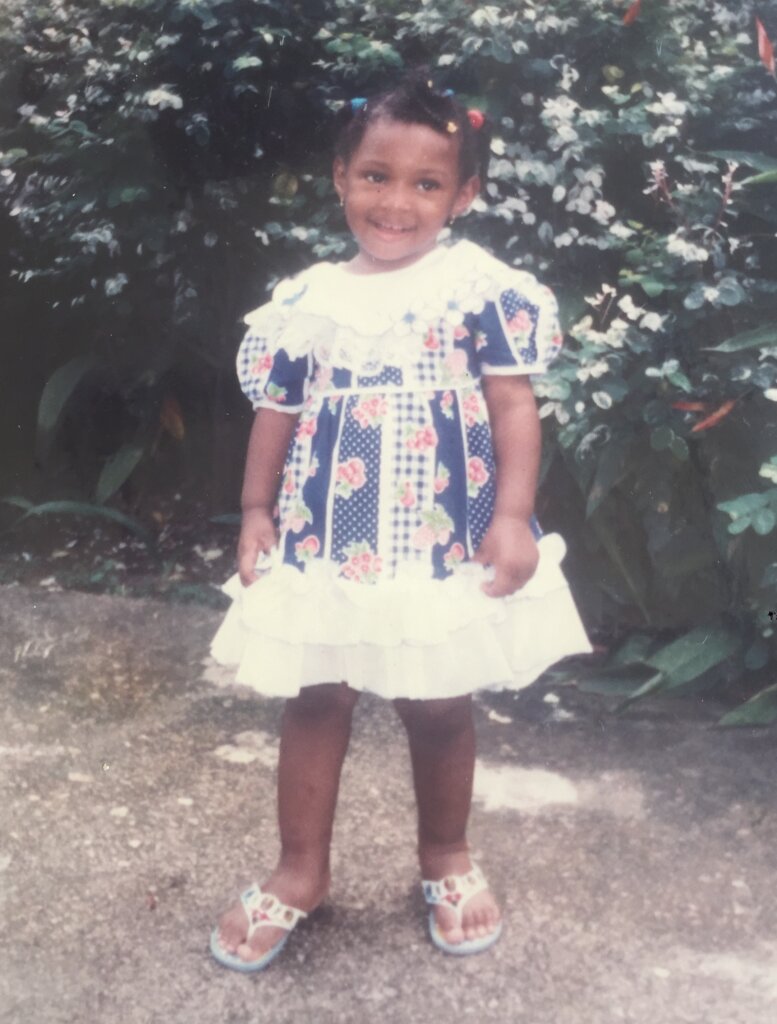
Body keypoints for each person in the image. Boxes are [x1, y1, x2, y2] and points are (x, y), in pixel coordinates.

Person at [209, 72, 591, 972]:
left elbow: (511, 408)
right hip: (325, 538)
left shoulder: (475, 289)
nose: (396, 201)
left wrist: (514, 517)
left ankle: (445, 857)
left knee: (438, 700)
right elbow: (277, 412)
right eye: (376, 175)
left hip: (439, 543)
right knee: (318, 696)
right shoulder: (307, 298)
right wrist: (257, 509)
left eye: (426, 184)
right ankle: (300, 869)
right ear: (340, 177)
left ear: (463, 196)